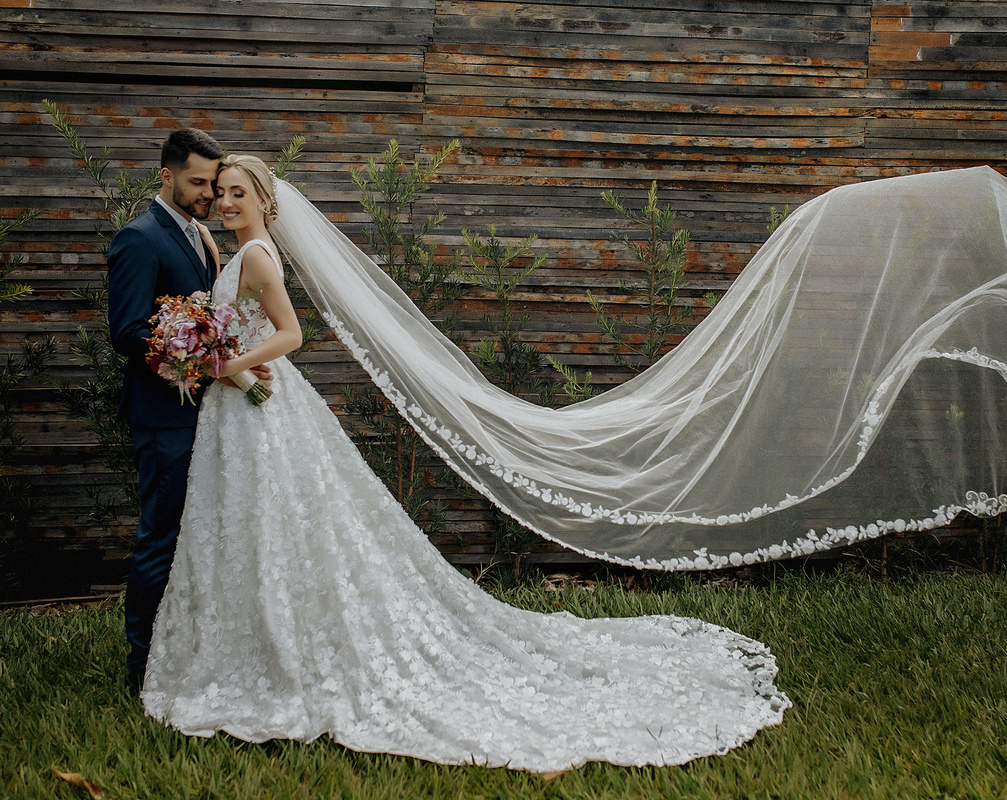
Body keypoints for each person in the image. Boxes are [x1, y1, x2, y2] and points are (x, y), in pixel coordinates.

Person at [141, 155, 790, 772]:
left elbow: (290, 335)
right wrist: (208, 354)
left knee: (278, 524)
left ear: (264, 200)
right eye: (220, 192)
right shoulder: (231, 251)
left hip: (261, 404)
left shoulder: (258, 256)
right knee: (252, 527)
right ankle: (250, 646)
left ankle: (279, 655)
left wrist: (229, 365)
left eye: (237, 193)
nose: (224, 202)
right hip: (239, 410)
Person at [108, 128, 237, 697]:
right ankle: (141, 664)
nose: (208, 192)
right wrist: (196, 355)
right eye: (197, 182)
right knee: (160, 535)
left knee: (195, 534)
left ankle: (185, 645)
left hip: (204, 414)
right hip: (163, 415)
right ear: (166, 175)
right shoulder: (139, 239)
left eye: (213, 182)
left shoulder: (199, 236)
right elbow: (128, 331)